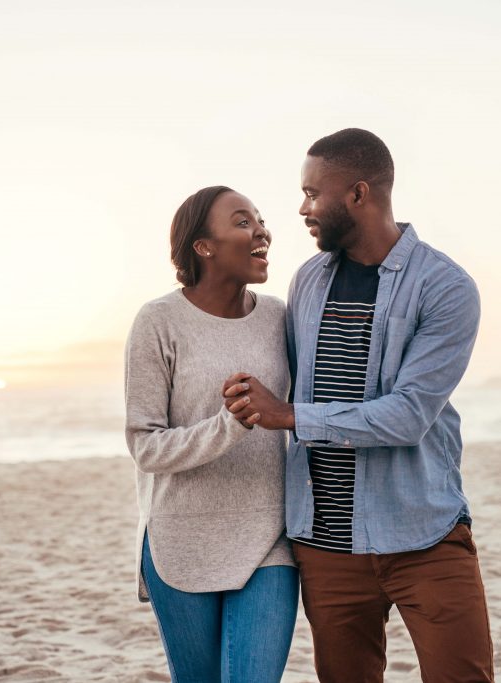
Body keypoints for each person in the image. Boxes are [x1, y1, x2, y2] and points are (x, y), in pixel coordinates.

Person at [223, 129, 494, 682]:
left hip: (424, 534)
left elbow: (408, 415)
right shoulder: (308, 282)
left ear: (358, 194)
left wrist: (291, 415)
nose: (302, 209)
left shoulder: (444, 287)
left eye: (312, 193)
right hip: (326, 545)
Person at [124, 186, 298, 683]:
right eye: (243, 222)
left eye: (261, 220)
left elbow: (301, 411)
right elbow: (145, 445)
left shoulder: (279, 317)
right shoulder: (158, 321)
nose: (262, 230)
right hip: (181, 541)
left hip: (269, 539)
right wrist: (230, 426)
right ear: (204, 246)